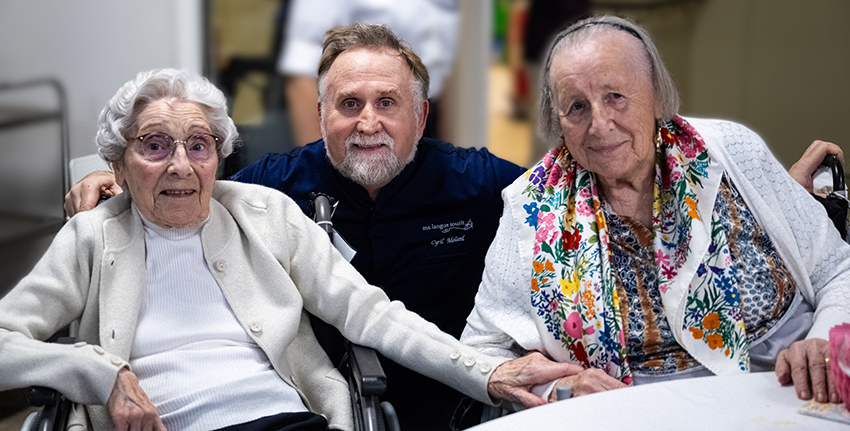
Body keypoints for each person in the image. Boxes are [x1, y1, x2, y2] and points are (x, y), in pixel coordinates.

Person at [0, 68, 578, 431]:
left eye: (199, 145)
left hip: (281, 421)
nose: (180, 164)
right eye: (154, 145)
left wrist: (490, 372)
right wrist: (96, 373)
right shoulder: (91, 236)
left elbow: (370, 312)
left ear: (219, 156)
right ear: (120, 163)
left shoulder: (262, 211)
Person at [461, 15, 850, 408]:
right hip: (627, 413)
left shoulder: (732, 152)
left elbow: (838, 269)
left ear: (657, 97)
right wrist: (557, 388)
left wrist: (824, 339)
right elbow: (483, 350)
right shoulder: (531, 206)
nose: (599, 125)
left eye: (615, 96)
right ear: (557, 121)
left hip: (783, 393)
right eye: (576, 106)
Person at [279, 0, 460, 144]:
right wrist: (319, 173)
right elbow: (301, 76)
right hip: (361, 118)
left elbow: (437, 66)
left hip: (425, 117)